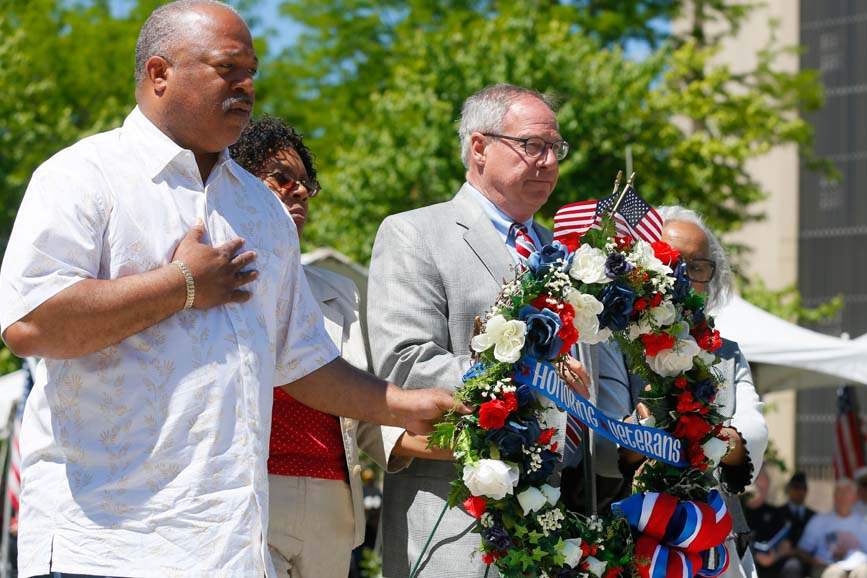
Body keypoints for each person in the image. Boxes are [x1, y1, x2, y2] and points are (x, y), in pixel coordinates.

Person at [0, 2, 461, 577]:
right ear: (159, 73)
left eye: (252, 72)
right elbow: (31, 324)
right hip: (106, 544)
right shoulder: (81, 176)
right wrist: (182, 284)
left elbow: (302, 361)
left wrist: (403, 405)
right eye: (228, 69)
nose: (246, 86)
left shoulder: (259, 208)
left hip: (232, 546)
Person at [367, 83, 629, 578]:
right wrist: (532, 378)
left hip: (561, 522)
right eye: (533, 145)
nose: (549, 161)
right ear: (480, 147)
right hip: (458, 522)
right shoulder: (415, 232)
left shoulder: (570, 256)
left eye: (556, 148)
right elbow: (405, 365)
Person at [230, 116, 411, 578]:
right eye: (281, 178)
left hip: (334, 501)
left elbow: (364, 414)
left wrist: (463, 431)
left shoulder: (337, 291)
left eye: (307, 184)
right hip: (247, 494)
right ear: (239, 183)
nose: (299, 192)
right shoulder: (213, 284)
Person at [608, 205, 769, 578]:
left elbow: (753, 430)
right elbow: (609, 444)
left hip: (715, 546)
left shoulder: (725, 352)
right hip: (633, 542)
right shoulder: (612, 346)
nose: (683, 276)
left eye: (697, 267)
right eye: (672, 261)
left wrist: (712, 440)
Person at [796, 478, 867, 578]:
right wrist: (813, 561)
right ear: (833, 496)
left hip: (857, 567)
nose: (842, 497)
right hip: (825, 567)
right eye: (839, 493)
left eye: (847, 493)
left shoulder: (863, 524)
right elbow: (801, 551)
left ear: (855, 498)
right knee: (835, 573)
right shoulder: (819, 520)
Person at [744, 467, 793, 577]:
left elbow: (786, 545)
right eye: (757, 481)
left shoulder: (775, 513)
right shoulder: (738, 510)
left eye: (765, 482)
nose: (761, 486)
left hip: (770, 564)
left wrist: (775, 556)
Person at [772, 471, 816, 578]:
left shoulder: (813, 516)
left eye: (803, 488)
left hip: (809, 559)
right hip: (784, 559)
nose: (800, 491)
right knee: (792, 567)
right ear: (789, 489)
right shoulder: (777, 513)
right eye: (796, 487)